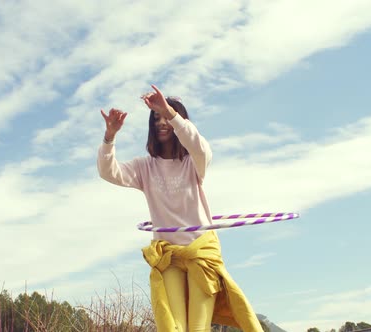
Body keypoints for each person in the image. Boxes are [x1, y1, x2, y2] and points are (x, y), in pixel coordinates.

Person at [97, 85, 264, 332]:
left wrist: (169, 111)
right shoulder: (145, 167)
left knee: (197, 328)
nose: (162, 122)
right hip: (170, 256)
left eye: (167, 116)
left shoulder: (194, 162)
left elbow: (199, 146)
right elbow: (108, 172)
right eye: (156, 118)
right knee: (171, 326)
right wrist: (109, 137)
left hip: (200, 252)